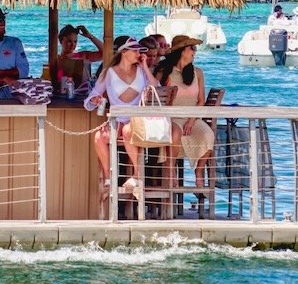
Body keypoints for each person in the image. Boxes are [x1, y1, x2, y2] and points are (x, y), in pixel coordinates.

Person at [84, 37, 150, 197]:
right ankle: (109, 177)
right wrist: (95, 100)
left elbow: (157, 88)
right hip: (117, 120)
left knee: (128, 130)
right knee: (99, 137)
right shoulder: (109, 72)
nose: (138, 53)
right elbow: (92, 95)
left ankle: (137, 174)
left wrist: (146, 66)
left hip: (138, 120)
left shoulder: (141, 71)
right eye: (134, 50)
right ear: (124, 52)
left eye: (139, 50)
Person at [153, 35, 214, 195]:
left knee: (208, 135)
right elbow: (154, 93)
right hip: (172, 117)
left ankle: (198, 172)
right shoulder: (165, 72)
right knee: (174, 134)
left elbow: (201, 101)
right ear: (181, 51)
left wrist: (192, 120)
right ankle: (171, 171)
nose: (194, 51)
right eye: (191, 48)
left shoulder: (197, 72)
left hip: (192, 117)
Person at [54, 23, 102, 95]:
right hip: (64, 95)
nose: (73, 45)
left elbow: (106, 53)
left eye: (75, 41)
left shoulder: (83, 56)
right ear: (61, 41)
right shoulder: (56, 59)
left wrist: (90, 36)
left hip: (83, 95)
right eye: (69, 41)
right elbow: (57, 79)